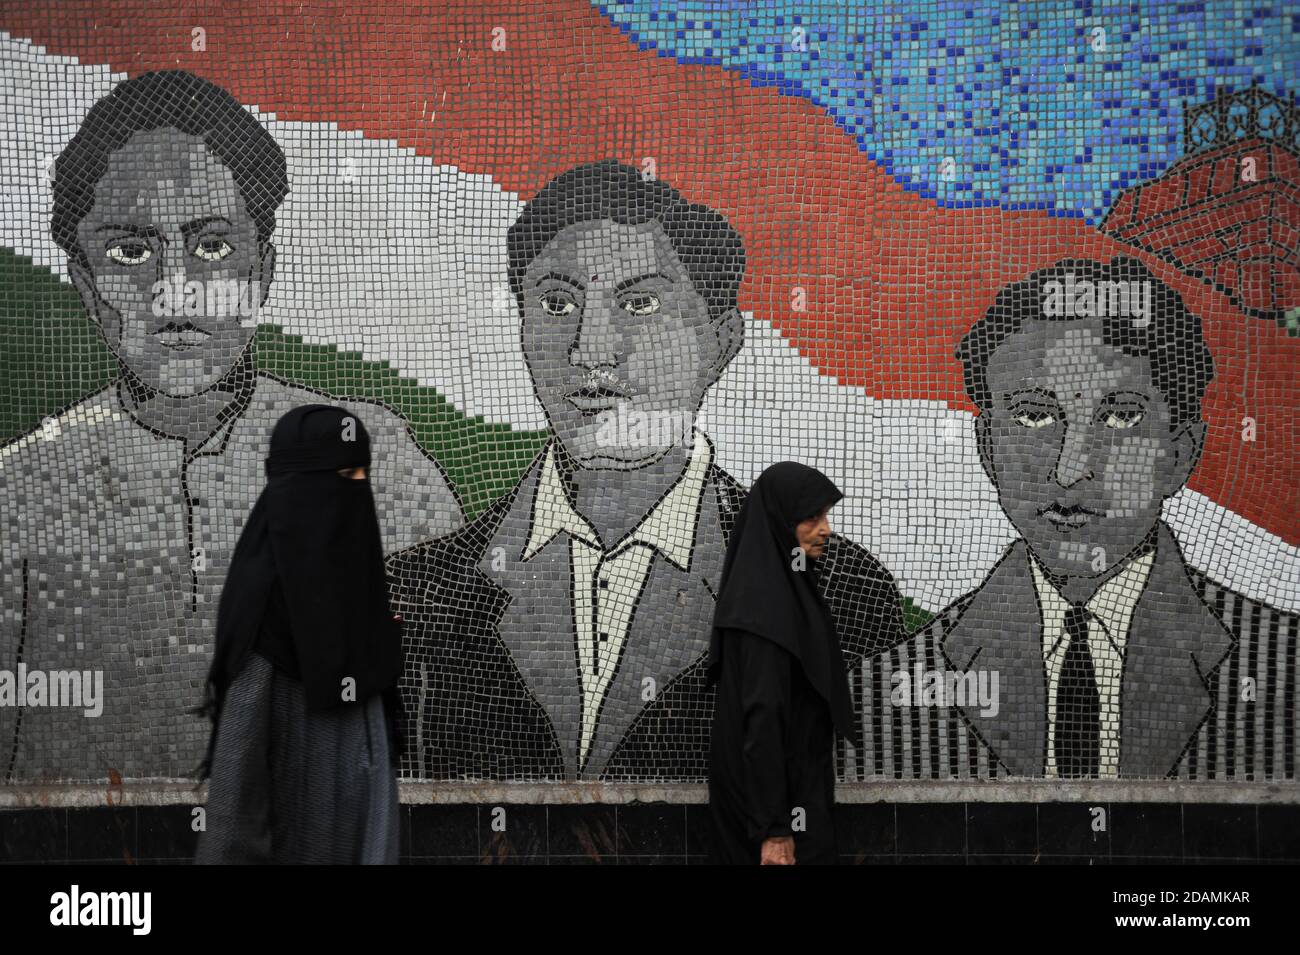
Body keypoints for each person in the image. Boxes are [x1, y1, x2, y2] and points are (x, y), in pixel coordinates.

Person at [0, 69, 460, 782]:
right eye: (130, 252)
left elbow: (444, 721)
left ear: (264, 269)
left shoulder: (375, 459)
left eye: (212, 245)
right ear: (86, 286)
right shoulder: (19, 491)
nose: (175, 289)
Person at [386, 161, 903, 782]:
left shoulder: (837, 593)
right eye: (556, 302)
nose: (590, 350)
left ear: (721, 341)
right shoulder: (418, 593)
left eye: (641, 303)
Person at [854, 255, 1299, 782]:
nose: (1070, 470)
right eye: (1034, 415)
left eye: (1121, 416)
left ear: (1180, 454)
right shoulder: (884, 687)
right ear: (987, 448)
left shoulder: (1282, 668)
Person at [194, 404, 403, 864]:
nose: (354, 492)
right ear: (298, 487)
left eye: (360, 475)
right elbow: (235, 804)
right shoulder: (266, 614)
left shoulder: (355, 590)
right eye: (342, 476)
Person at [707, 461, 857, 865]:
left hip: (789, 801)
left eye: (825, 516)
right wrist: (774, 831)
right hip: (773, 819)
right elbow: (763, 718)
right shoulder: (765, 609)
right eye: (812, 517)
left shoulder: (780, 588)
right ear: (780, 522)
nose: (825, 528)